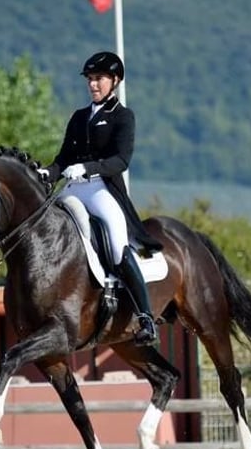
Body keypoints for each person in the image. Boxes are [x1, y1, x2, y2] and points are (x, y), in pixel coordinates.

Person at [38, 51, 163, 345]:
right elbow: (63, 158)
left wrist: (88, 167)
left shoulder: (122, 117)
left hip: (102, 189)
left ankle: (145, 318)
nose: (93, 85)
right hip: (73, 188)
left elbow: (121, 160)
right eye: (90, 80)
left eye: (99, 79)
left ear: (114, 81)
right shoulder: (79, 117)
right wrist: (47, 173)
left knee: (118, 247)